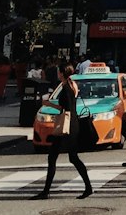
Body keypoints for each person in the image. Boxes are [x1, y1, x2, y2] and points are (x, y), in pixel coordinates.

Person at [38, 65, 92, 199]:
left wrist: (49, 104)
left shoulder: (66, 88)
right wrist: (50, 104)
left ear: (62, 73)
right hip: (73, 124)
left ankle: (45, 192)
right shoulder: (72, 85)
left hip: (66, 126)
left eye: (58, 71)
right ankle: (88, 187)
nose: (57, 73)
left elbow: (66, 108)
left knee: (53, 157)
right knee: (72, 158)